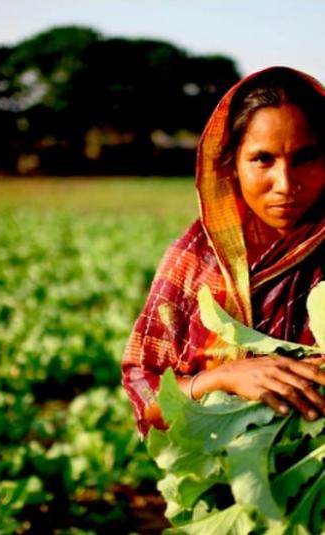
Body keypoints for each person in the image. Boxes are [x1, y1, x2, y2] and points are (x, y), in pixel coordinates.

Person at [122, 66, 325, 435]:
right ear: (231, 164)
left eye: (306, 157)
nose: (285, 184)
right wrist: (223, 378)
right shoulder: (196, 259)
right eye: (263, 159)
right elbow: (147, 400)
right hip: (222, 482)